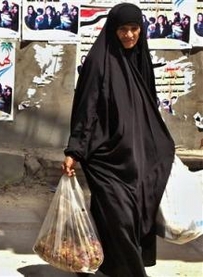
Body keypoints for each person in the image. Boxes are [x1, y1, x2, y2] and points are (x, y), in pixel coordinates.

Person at [62, 3, 175, 277]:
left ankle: (100, 264)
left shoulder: (140, 59)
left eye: (134, 29)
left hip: (135, 155)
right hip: (104, 156)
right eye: (122, 29)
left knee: (127, 215)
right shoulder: (98, 62)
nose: (128, 35)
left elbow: (148, 106)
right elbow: (87, 109)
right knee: (121, 217)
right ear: (112, 30)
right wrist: (74, 150)